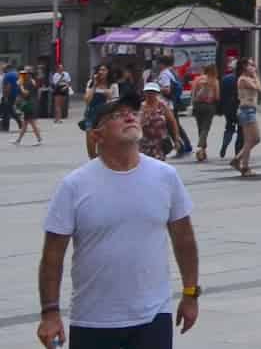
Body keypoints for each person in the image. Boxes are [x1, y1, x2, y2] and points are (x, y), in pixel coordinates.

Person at [37, 98, 201, 349]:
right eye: (117, 115)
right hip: (93, 320)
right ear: (97, 135)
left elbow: (184, 239)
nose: (129, 117)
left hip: (153, 317)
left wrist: (190, 294)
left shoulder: (165, 176)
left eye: (132, 112)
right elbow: (52, 255)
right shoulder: (74, 185)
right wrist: (50, 313)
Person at [231, 59, 261, 178]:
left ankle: (238, 160)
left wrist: (254, 76)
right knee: (251, 140)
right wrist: (255, 75)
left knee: (254, 139)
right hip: (246, 110)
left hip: (250, 110)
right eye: (251, 65)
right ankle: (245, 166)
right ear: (244, 66)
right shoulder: (243, 79)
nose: (253, 67)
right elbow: (259, 88)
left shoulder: (248, 78)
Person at [137, 84, 182, 161]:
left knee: (158, 164)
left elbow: (172, 122)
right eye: (148, 92)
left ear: (157, 93)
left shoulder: (163, 106)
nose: (150, 94)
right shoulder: (140, 107)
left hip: (160, 143)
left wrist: (176, 139)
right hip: (144, 143)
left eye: (152, 92)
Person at [187, 69, 219, 163]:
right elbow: (217, 96)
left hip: (198, 105)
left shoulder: (197, 80)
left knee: (200, 128)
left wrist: (193, 105)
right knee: (205, 128)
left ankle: (203, 151)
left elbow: (192, 94)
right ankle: (201, 147)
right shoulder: (214, 81)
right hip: (209, 106)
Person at [216, 61, 241, 162]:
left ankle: (224, 145)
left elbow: (221, 95)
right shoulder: (242, 79)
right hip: (239, 107)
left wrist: (220, 108)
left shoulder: (225, 79)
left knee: (229, 127)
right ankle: (238, 152)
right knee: (241, 130)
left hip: (228, 108)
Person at [14, 65, 45, 145]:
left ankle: (39, 139)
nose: (23, 74)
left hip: (29, 104)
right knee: (25, 123)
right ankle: (18, 140)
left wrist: (20, 86)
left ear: (29, 74)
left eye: (25, 73)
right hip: (31, 104)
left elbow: (26, 94)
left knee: (31, 123)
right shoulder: (30, 81)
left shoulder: (29, 82)